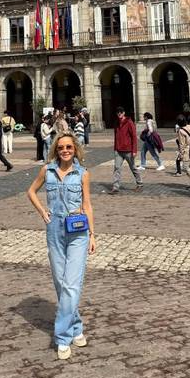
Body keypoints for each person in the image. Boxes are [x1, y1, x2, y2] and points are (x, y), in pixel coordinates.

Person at [27, 132, 96, 360]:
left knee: (71, 284)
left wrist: (93, 235)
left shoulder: (83, 173)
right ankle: (76, 326)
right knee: (60, 282)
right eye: (61, 147)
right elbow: (31, 191)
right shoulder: (47, 171)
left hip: (78, 231)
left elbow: (87, 204)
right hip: (55, 228)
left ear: (75, 149)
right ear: (56, 150)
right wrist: (42, 211)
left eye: (69, 147)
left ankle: (62, 336)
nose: (65, 150)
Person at [108, 106, 142, 194]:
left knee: (133, 167)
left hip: (128, 150)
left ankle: (140, 183)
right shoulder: (116, 123)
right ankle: (115, 187)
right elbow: (116, 137)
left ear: (124, 113)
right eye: (118, 112)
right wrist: (115, 148)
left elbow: (134, 137)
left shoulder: (129, 122)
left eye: (121, 112)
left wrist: (134, 150)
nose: (119, 114)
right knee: (117, 168)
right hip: (118, 151)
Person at [175, 115, 190, 186]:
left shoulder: (181, 131)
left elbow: (182, 144)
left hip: (187, 150)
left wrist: (180, 154)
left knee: (185, 167)